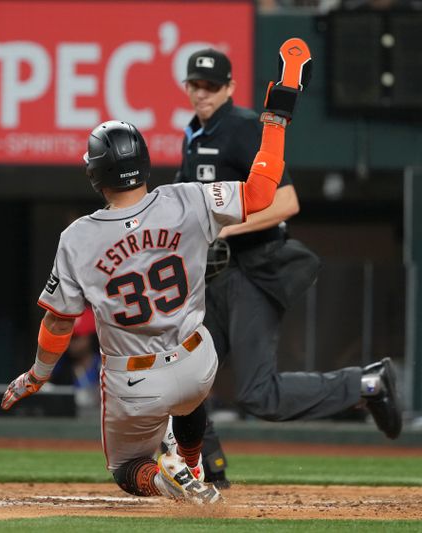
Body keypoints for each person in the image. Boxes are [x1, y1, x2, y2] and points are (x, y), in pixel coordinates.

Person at [2, 38, 317, 505]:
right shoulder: (187, 198)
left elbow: (59, 321)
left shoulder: (78, 237)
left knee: (127, 467)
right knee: (188, 399)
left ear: (96, 174)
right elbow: (263, 191)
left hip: (134, 381)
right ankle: (192, 464)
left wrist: (38, 374)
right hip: (197, 361)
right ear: (144, 163)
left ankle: (169, 480)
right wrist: (276, 117)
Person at [175, 47, 402, 488]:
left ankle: (366, 384)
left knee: (258, 394)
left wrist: (221, 230)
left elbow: (286, 202)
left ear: (230, 88)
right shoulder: (195, 135)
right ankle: (211, 474)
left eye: (211, 85)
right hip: (215, 280)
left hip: (253, 271)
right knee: (182, 383)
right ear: (187, 87)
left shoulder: (240, 128)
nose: (202, 93)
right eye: (196, 84)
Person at [48, 307, 102, 408]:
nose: (69, 342)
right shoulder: (59, 370)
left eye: (75, 338)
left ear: (90, 338)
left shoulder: (105, 367)